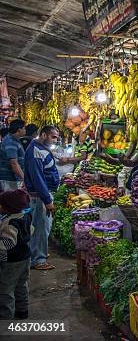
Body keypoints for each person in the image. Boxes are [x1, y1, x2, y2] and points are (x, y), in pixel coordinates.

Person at [24, 125, 59, 271]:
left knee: (42, 226)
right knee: (40, 227)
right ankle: (38, 259)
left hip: (42, 195)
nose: (55, 141)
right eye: (53, 137)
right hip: (40, 197)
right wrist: (47, 200)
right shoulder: (36, 151)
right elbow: (38, 179)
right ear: (43, 135)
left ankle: (38, 253)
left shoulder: (39, 148)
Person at [0, 189, 33, 319]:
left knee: (5, 290)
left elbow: (8, 244)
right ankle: (22, 311)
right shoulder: (25, 216)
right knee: (21, 285)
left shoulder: (10, 224)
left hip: (12, 261)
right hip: (25, 257)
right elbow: (31, 231)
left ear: (8, 208)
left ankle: (5, 317)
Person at [0, 120, 26, 191]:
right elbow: (13, 162)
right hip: (9, 180)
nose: (25, 130)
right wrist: (24, 178)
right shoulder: (10, 142)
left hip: (12, 179)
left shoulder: (14, 139)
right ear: (19, 129)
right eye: (24, 128)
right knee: (11, 200)